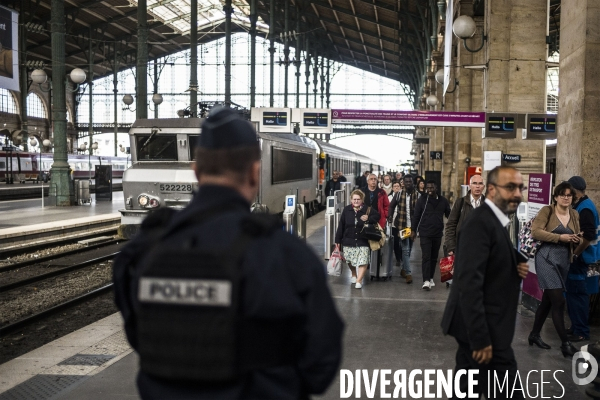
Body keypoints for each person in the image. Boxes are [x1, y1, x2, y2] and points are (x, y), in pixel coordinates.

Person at [113, 107, 344, 399]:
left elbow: (138, 333)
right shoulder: (286, 256)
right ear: (254, 172)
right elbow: (321, 361)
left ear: (197, 171)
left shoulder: (142, 252)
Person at [441, 166, 529, 399]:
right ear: (491, 190)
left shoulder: (493, 219)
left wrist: (515, 260)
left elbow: (493, 250)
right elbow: (469, 283)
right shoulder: (480, 222)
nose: (518, 194)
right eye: (510, 187)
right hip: (484, 333)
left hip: (487, 330)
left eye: (520, 187)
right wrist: (479, 339)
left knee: (467, 390)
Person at [528, 182, 580, 357]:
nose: (566, 198)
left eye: (569, 195)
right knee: (558, 301)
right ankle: (565, 344)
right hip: (546, 258)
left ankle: (534, 335)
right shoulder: (547, 211)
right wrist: (560, 237)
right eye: (562, 195)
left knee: (548, 301)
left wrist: (575, 239)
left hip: (564, 260)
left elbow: (577, 236)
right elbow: (536, 232)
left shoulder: (574, 214)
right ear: (556, 197)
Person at [566, 176, 600, 342]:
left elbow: (588, 235)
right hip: (583, 257)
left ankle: (581, 331)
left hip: (583, 259)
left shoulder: (585, 208)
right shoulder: (582, 205)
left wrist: (575, 253)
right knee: (573, 293)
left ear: (573, 190)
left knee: (578, 294)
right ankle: (575, 327)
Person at [444, 174, 485, 287]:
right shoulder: (460, 203)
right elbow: (451, 225)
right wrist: (451, 246)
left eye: (480, 184)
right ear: (470, 186)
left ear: (484, 186)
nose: (477, 186)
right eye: (475, 183)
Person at [335, 189, 380, 289]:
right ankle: (354, 273)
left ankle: (359, 280)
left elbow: (377, 215)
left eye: (358, 199)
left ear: (362, 200)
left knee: (363, 260)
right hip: (348, 240)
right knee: (349, 260)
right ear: (351, 200)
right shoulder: (347, 210)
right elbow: (341, 225)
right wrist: (338, 240)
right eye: (354, 199)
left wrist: (368, 218)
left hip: (362, 239)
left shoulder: (367, 209)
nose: (356, 201)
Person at [411, 180, 451, 290]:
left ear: (436, 188)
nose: (429, 190)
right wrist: (413, 230)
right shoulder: (422, 200)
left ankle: (431, 277)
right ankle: (426, 281)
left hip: (437, 233)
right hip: (424, 233)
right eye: (427, 188)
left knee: (434, 257)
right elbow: (416, 216)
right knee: (426, 256)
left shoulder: (443, 201)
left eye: (432, 188)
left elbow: (449, 215)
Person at [388, 174, 419, 283]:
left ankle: (403, 269)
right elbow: (391, 206)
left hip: (413, 227)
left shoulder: (418, 195)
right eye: (406, 182)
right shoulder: (399, 194)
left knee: (409, 248)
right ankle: (408, 274)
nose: (408, 183)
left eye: (410, 181)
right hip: (402, 226)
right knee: (405, 249)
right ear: (403, 183)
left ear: (412, 182)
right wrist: (390, 216)